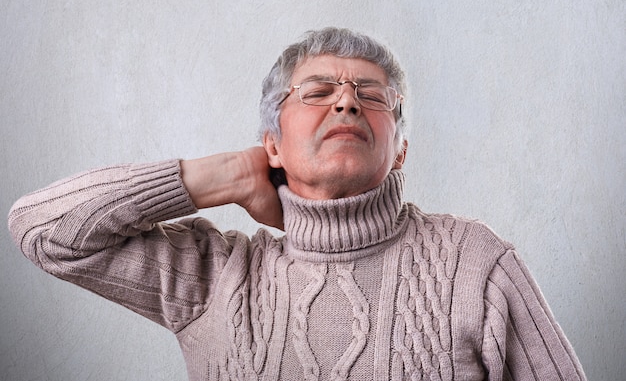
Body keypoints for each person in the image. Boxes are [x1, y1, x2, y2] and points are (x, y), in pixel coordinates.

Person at [8, 27, 586, 380]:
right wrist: (227, 174)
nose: (346, 104)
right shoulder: (216, 277)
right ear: (273, 142)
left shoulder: (474, 263)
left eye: (371, 94)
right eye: (317, 92)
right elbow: (41, 227)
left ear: (401, 149)